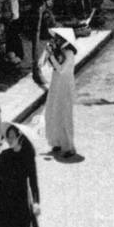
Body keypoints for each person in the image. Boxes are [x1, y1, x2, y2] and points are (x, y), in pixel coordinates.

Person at [40, 29, 78, 157]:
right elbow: (47, 65)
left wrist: (52, 56)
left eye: (58, 39)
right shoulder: (60, 52)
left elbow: (61, 69)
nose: (55, 41)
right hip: (56, 85)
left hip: (65, 87)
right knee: (53, 111)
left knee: (65, 115)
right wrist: (48, 54)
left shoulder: (69, 53)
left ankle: (69, 147)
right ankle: (56, 142)